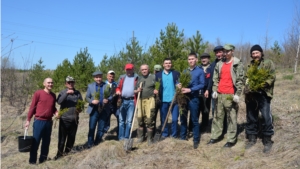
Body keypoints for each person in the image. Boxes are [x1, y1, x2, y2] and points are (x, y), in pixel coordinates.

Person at [208, 44, 244, 148]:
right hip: (219, 94)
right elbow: (216, 79)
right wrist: (214, 90)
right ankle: (216, 136)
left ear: (232, 51)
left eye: (228, 51)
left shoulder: (237, 63)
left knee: (231, 118)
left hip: (230, 95)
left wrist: (237, 94)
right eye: (224, 51)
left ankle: (231, 139)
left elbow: (240, 80)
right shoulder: (219, 64)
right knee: (217, 116)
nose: (225, 53)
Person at [244, 44, 275, 153]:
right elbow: (246, 78)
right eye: (253, 53)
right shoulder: (249, 66)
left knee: (266, 116)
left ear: (261, 53)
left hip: (263, 94)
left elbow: (272, 76)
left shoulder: (268, 63)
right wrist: (246, 88)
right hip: (251, 95)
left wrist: (264, 84)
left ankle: (267, 140)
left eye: (257, 52)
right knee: (251, 116)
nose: (255, 55)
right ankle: (252, 138)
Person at [25, 78, 58, 164]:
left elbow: (53, 107)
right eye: (48, 83)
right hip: (39, 121)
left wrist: (56, 112)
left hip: (49, 122)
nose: (50, 84)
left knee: (46, 142)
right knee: (36, 142)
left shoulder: (53, 95)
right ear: (44, 84)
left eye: (51, 83)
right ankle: (32, 161)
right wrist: (28, 120)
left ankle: (43, 160)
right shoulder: (38, 93)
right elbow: (32, 107)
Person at [180, 52, 205, 149]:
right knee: (183, 118)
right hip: (184, 98)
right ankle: (183, 137)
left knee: (194, 119)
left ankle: (196, 139)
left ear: (196, 60)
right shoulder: (185, 71)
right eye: (189, 59)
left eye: (192, 59)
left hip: (194, 98)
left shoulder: (200, 71)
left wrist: (190, 89)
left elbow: (202, 85)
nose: (191, 61)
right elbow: (180, 80)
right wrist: (179, 84)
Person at [54, 76, 83, 160]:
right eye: (69, 82)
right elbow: (59, 102)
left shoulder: (77, 93)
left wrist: (80, 109)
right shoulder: (62, 92)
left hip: (74, 119)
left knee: (71, 138)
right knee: (62, 138)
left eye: (72, 82)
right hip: (64, 119)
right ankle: (59, 154)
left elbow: (81, 104)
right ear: (66, 84)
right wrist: (67, 93)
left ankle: (67, 153)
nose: (71, 84)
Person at [155, 58, 180, 139]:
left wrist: (179, 85)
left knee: (175, 119)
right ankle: (165, 133)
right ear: (163, 65)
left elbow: (179, 83)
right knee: (163, 118)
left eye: (169, 63)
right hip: (163, 100)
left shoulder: (176, 73)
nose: (168, 64)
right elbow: (155, 86)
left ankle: (174, 134)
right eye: (166, 63)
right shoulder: (158, 75)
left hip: (174, 100)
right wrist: (155, 90)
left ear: (171, 64)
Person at [86, 71, 111, 147]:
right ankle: (90, 144)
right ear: (94, 78)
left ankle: (97, 143)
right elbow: (87, 97)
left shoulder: (106, 86)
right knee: (92, 127)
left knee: (101, 128)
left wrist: (108, 100)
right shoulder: (90, 86)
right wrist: (92, 101)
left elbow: (111, 96)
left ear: (102, 77)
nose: (98, 79)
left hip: (103, 109)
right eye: (96, 77)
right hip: (94, 110)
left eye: (99, 77)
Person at [116, 63, 139, 140]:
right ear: (125, 70)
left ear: (133, 69)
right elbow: (118, 87)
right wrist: (118, 91)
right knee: (121, 120)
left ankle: (126, 137)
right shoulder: (122, 77)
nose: (129, 71)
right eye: (127, 69)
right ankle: (121, 137)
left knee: (129, 121)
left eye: (130, 69)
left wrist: (138, 90)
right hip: (122, 100)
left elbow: (139, 88)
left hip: (132, 101)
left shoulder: (137, 78)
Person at [135, 64, 157, 145]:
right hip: (140, 100)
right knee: (140, 119)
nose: (144, 71)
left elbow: (158, 87)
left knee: (149, 119)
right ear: (141, 70)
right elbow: (134, 90)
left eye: (145, 69)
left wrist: (156, 90)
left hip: (150, 100)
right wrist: (137, 90)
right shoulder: (139, 79)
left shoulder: (153, 77)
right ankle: (141, 137)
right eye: (142, 69)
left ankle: (150, 139)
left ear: (148, 69)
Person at [103, 70, 119, 138]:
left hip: (115, 105)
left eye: (112, 76)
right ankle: (104, 132)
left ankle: (119, 131)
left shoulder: (116, 84)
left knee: (119, 117)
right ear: (107, 76)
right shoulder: (103, 85)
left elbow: (119, 91)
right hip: (106, 106)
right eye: (110, 76)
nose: (111, 78)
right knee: (106, 119)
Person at [209, 46, 224, 117]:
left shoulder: (228, 63)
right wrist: (208, 90)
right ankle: (214, 124)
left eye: (220, 52)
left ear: (223, 52)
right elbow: (211, 79)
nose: (218, 54)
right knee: (214, 108)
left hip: (226, 90)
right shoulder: (212, 65)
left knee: (225, 109)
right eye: (217, 53)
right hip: (215, 90)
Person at [153, 64, 162, 134]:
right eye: (157, 71)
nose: (157, 72)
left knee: (162, 114)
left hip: (161, 99)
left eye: (159, 71)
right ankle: (153, 130)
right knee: (153, 115)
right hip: (154, 99)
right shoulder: (152, 78)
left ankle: (162, 128)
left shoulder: (162, 77)